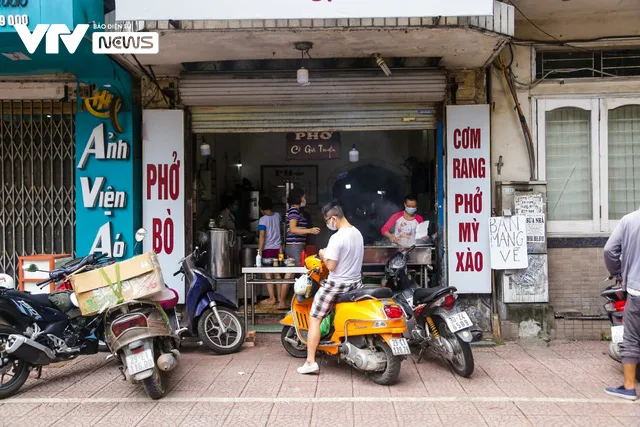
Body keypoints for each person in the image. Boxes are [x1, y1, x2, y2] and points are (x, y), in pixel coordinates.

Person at [297, 201, 364, 375]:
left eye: (327, 219)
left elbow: (332, 266)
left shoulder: (337, 237)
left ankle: (310, 361)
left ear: (334, 218)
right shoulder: (357, 233)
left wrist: (323, 254)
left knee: (314, 318)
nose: (327, 223)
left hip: (337, 285)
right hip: (356, 283)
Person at [604, 207, 640, 401]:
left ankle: (629, 388)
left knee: (631, 338)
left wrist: (618, 274)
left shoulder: (629, 220)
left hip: (637, 290)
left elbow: (609, 250)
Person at [283, 189, 320, 309]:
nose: (305, 200)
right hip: (294, 245)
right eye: (303, 197)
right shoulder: (294, 210)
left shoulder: (296, 211)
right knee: (296, 272)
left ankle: (284, 301)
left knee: (291, 273)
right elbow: (293, 229)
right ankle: (286, 301)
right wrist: (310, 230)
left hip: (296, 245)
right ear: (298, 198)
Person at [257, 197, 283, 306]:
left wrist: (260, 250)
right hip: (278, 249)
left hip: (267, 249)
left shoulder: (262, 219)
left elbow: (262, 235)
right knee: (277, 275)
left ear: (262, 208)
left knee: (268, 275)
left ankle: (272, 298)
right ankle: (280, 298)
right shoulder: (278, 216)